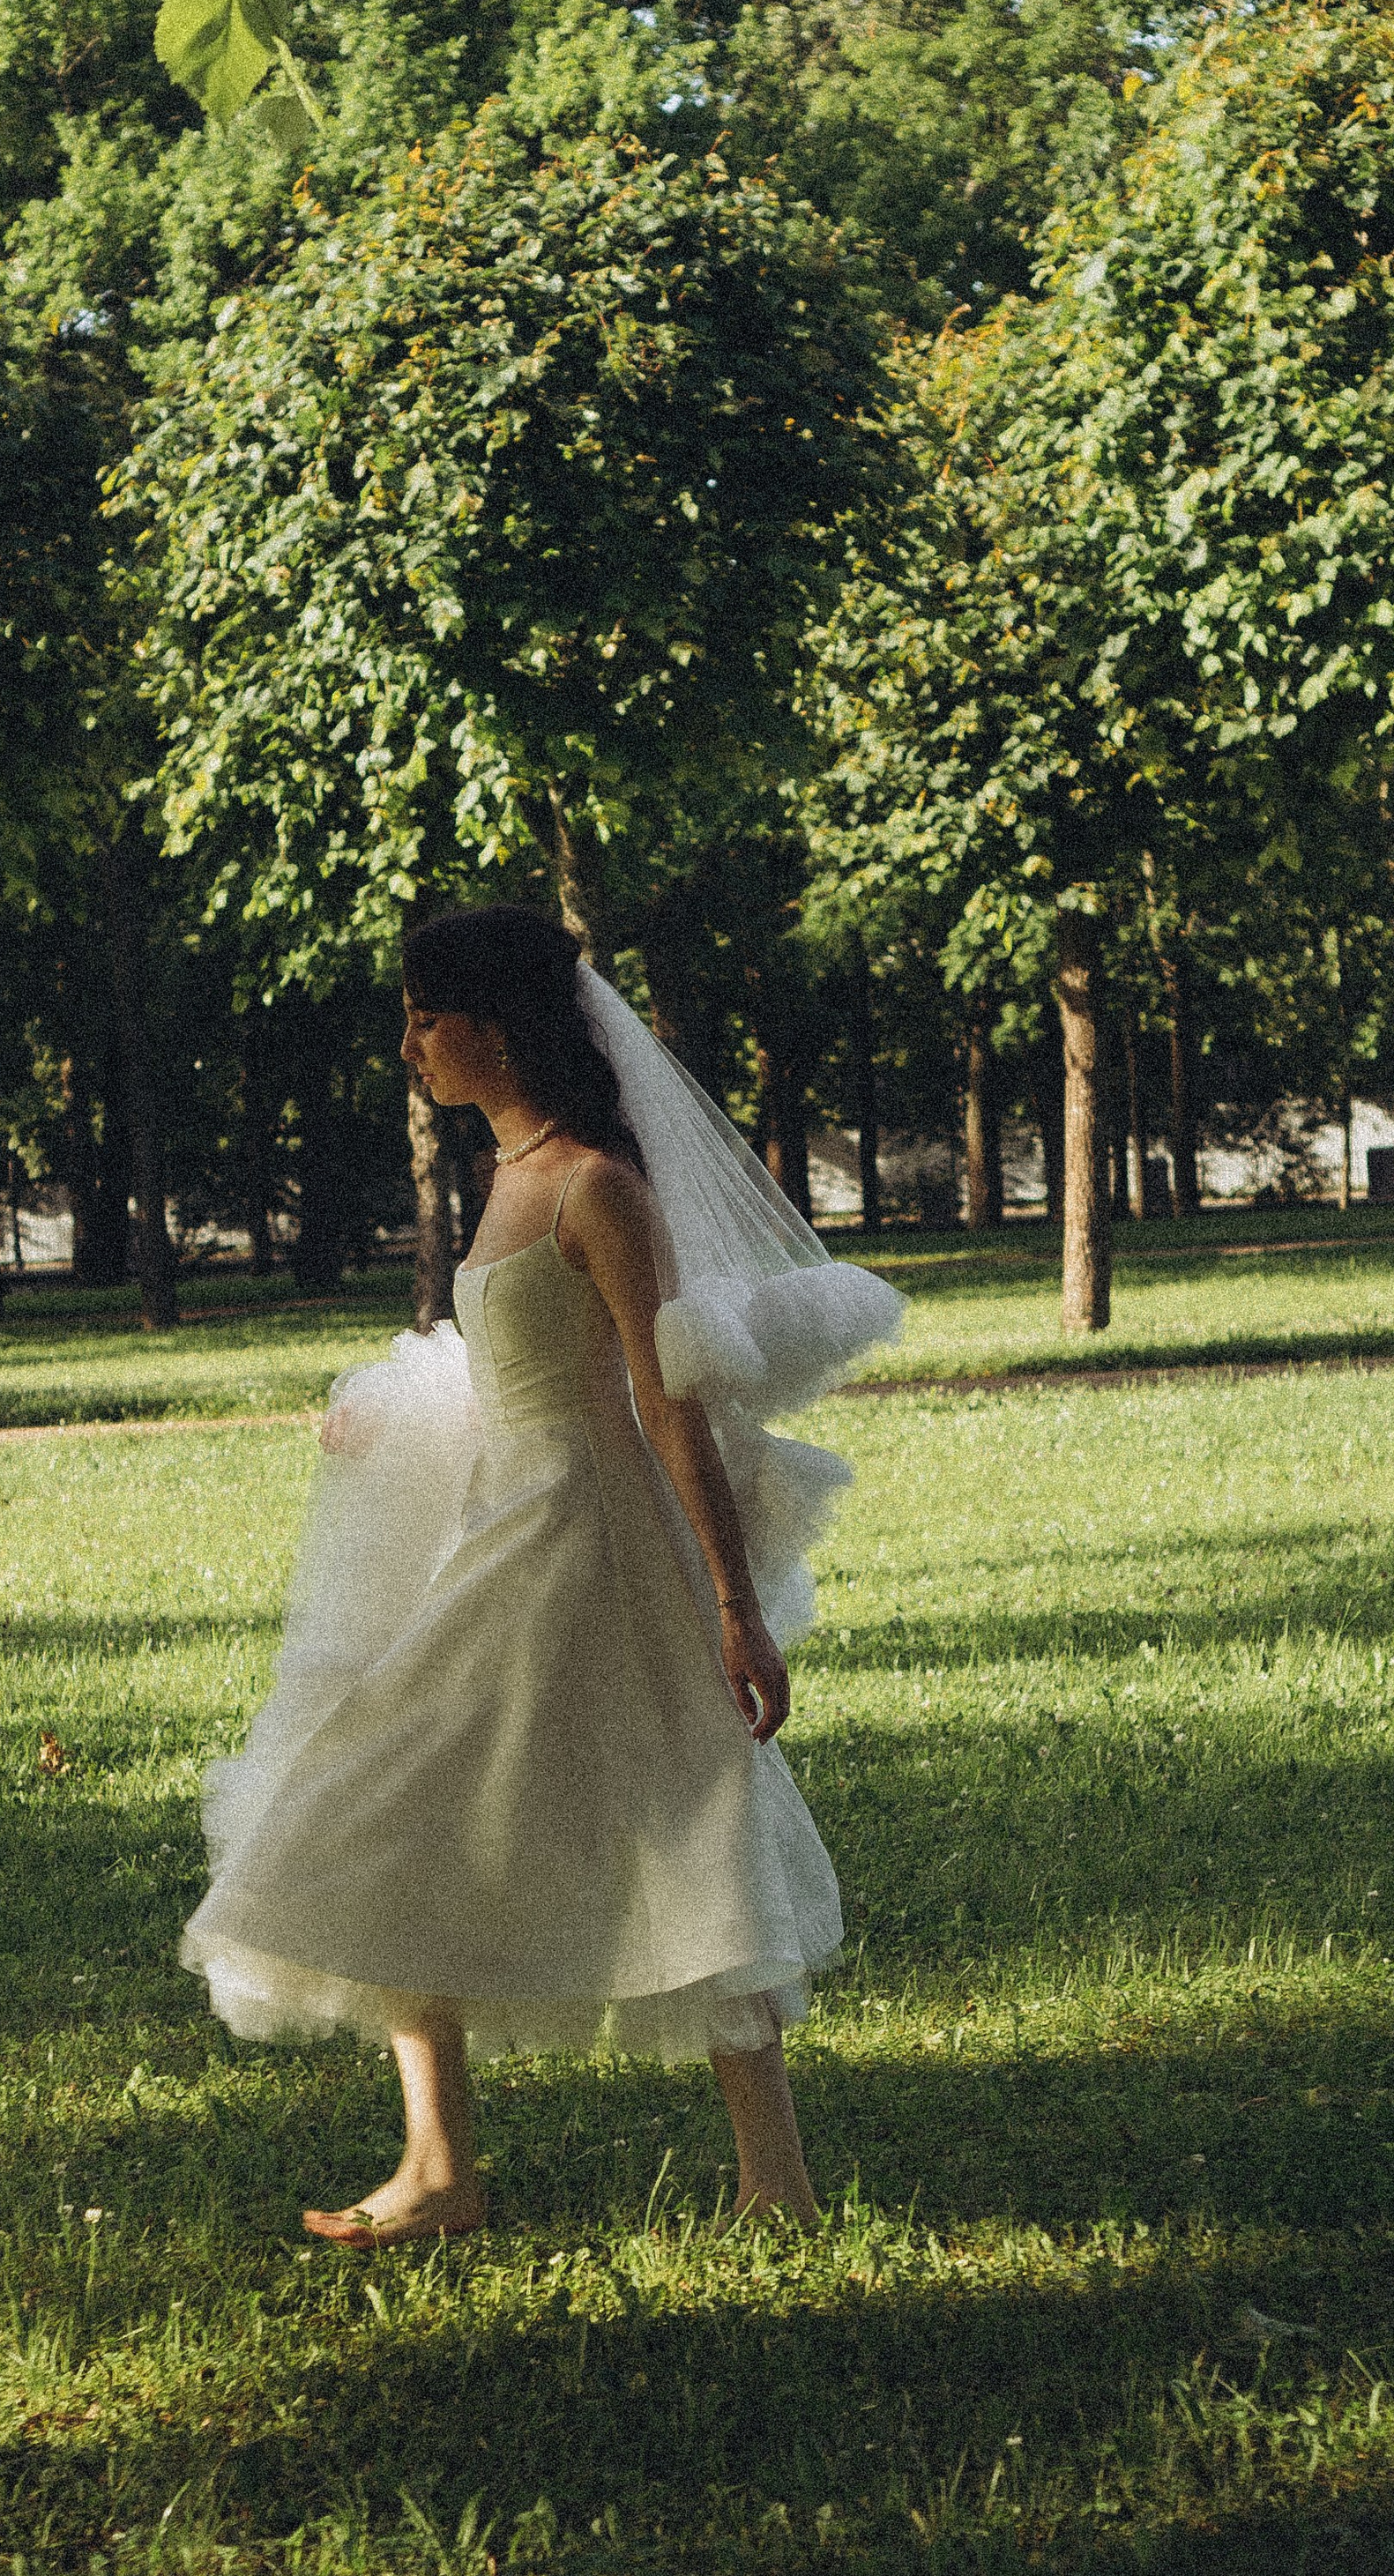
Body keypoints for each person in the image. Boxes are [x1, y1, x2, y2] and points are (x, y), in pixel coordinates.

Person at [180, 906, 902, 2245]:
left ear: (495, 1028)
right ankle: (439, 2167)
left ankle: (776, 2183)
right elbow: (518, 1371)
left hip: (591, 1544)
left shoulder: (596, 1185)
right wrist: (390, 1416)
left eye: (424, 1018)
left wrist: (737, 1608)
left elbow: (670, 1402)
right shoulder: (509, 1177)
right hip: (502, 1529)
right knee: (387, 1801)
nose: (408, 1046)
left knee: (684, 1816)